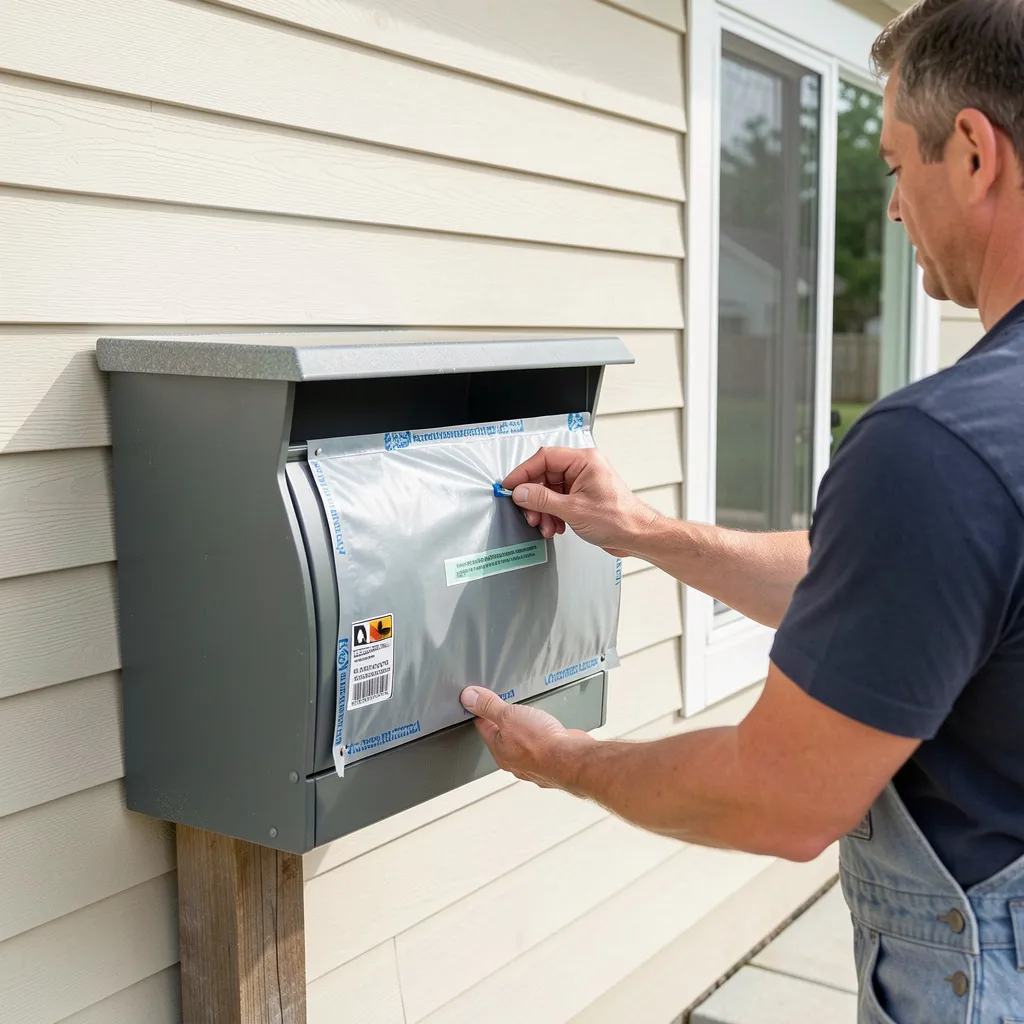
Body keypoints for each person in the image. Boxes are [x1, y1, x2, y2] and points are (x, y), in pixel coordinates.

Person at [459, 2, 1024, 1021]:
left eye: (896, 164)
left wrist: (566, 761)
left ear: (975, 153)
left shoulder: (939, 447)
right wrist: (643, 531)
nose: (893, 209)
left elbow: (783, 796)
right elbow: (911, 600)